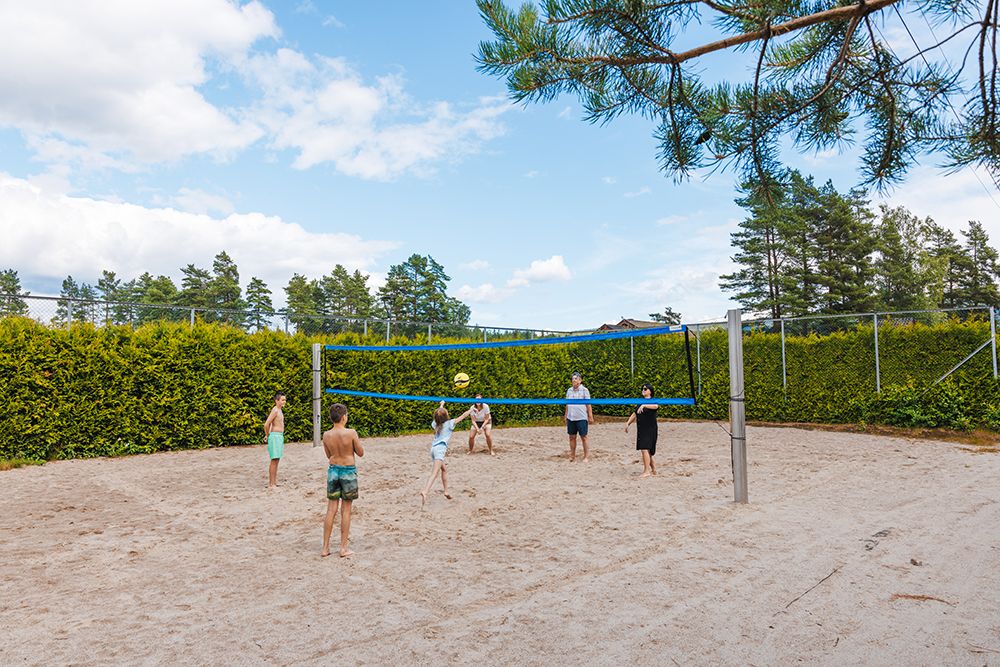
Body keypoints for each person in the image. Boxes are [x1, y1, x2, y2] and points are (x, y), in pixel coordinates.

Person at [322, 403, 364, 558]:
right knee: (346, 510)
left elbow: (328, 455)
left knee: (331, 509)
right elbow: (360, 452)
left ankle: (325, 548)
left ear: (331, 418)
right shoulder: (351, 433)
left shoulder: (326, 435)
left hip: (333, 470)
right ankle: (343, 548)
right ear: (344, 417)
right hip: (348, 471)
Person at [421, 400, 472, 507]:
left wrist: (441, 405)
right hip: (439, 450)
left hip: (433, 450)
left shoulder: (435, 424)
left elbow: (439, 414)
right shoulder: (449, 424)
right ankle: (425, 491)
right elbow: (463, 415)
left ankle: (446, 492)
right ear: (446, 416)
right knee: (434, 474)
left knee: (444, 470)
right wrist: (471, 409)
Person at [625, 382, 659, 477]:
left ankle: (646, 471)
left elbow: (656, 406)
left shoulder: (653, 401)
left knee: (645, 449)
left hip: (650, 429)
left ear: (650, 391)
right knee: (646, 450)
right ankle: (653, 469)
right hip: (641, 429)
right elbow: (635, 414)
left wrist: (645, 405)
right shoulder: (640, 402)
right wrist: (628, 423)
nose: (643, 390)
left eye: (645, 389)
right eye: (642, 389)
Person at [564, 372, 594, 462]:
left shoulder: (585, 390)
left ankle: (586, 456)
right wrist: (566, 415)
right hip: (571, 417)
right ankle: (572, 456)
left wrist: (590, 416)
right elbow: (567, 404)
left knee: (583, 437)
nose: (574, 380)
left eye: (576, 378)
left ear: (580, 380)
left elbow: (588, 404)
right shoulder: (569, 390)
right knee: (571, 437)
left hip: (581, 417)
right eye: (573, 378)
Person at [263, 392, 286, 488]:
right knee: (274, 460)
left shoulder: (279, 410)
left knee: (277, 460)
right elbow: (266, 424)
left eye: (285, 400)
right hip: (275, 436)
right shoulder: (275, 410)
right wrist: (267, 435)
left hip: (279, 436)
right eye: (282, 400)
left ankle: (274, 482)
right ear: (276, 401)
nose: (284, 402)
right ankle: (271, 484)